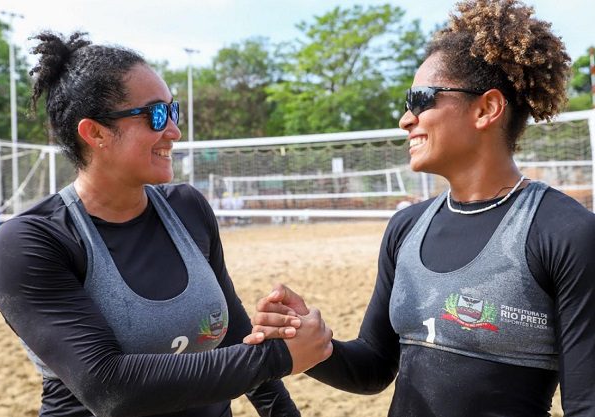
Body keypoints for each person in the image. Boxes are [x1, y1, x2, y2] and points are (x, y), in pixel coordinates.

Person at [244, 1, 595, 416]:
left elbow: (585, 404)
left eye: (420, 99)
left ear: (486, 109)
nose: (404, 119)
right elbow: (373, 367)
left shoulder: (565, 233)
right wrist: (314, 345)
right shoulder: (406, 227)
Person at [0, 31, 332, 417]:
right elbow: (109, 387)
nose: (174, 131)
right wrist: (276, 358)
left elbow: (236, 333)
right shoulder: (30, 241)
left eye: (174, 112)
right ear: (95, 133)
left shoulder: (187, 208)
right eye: (156, 115)